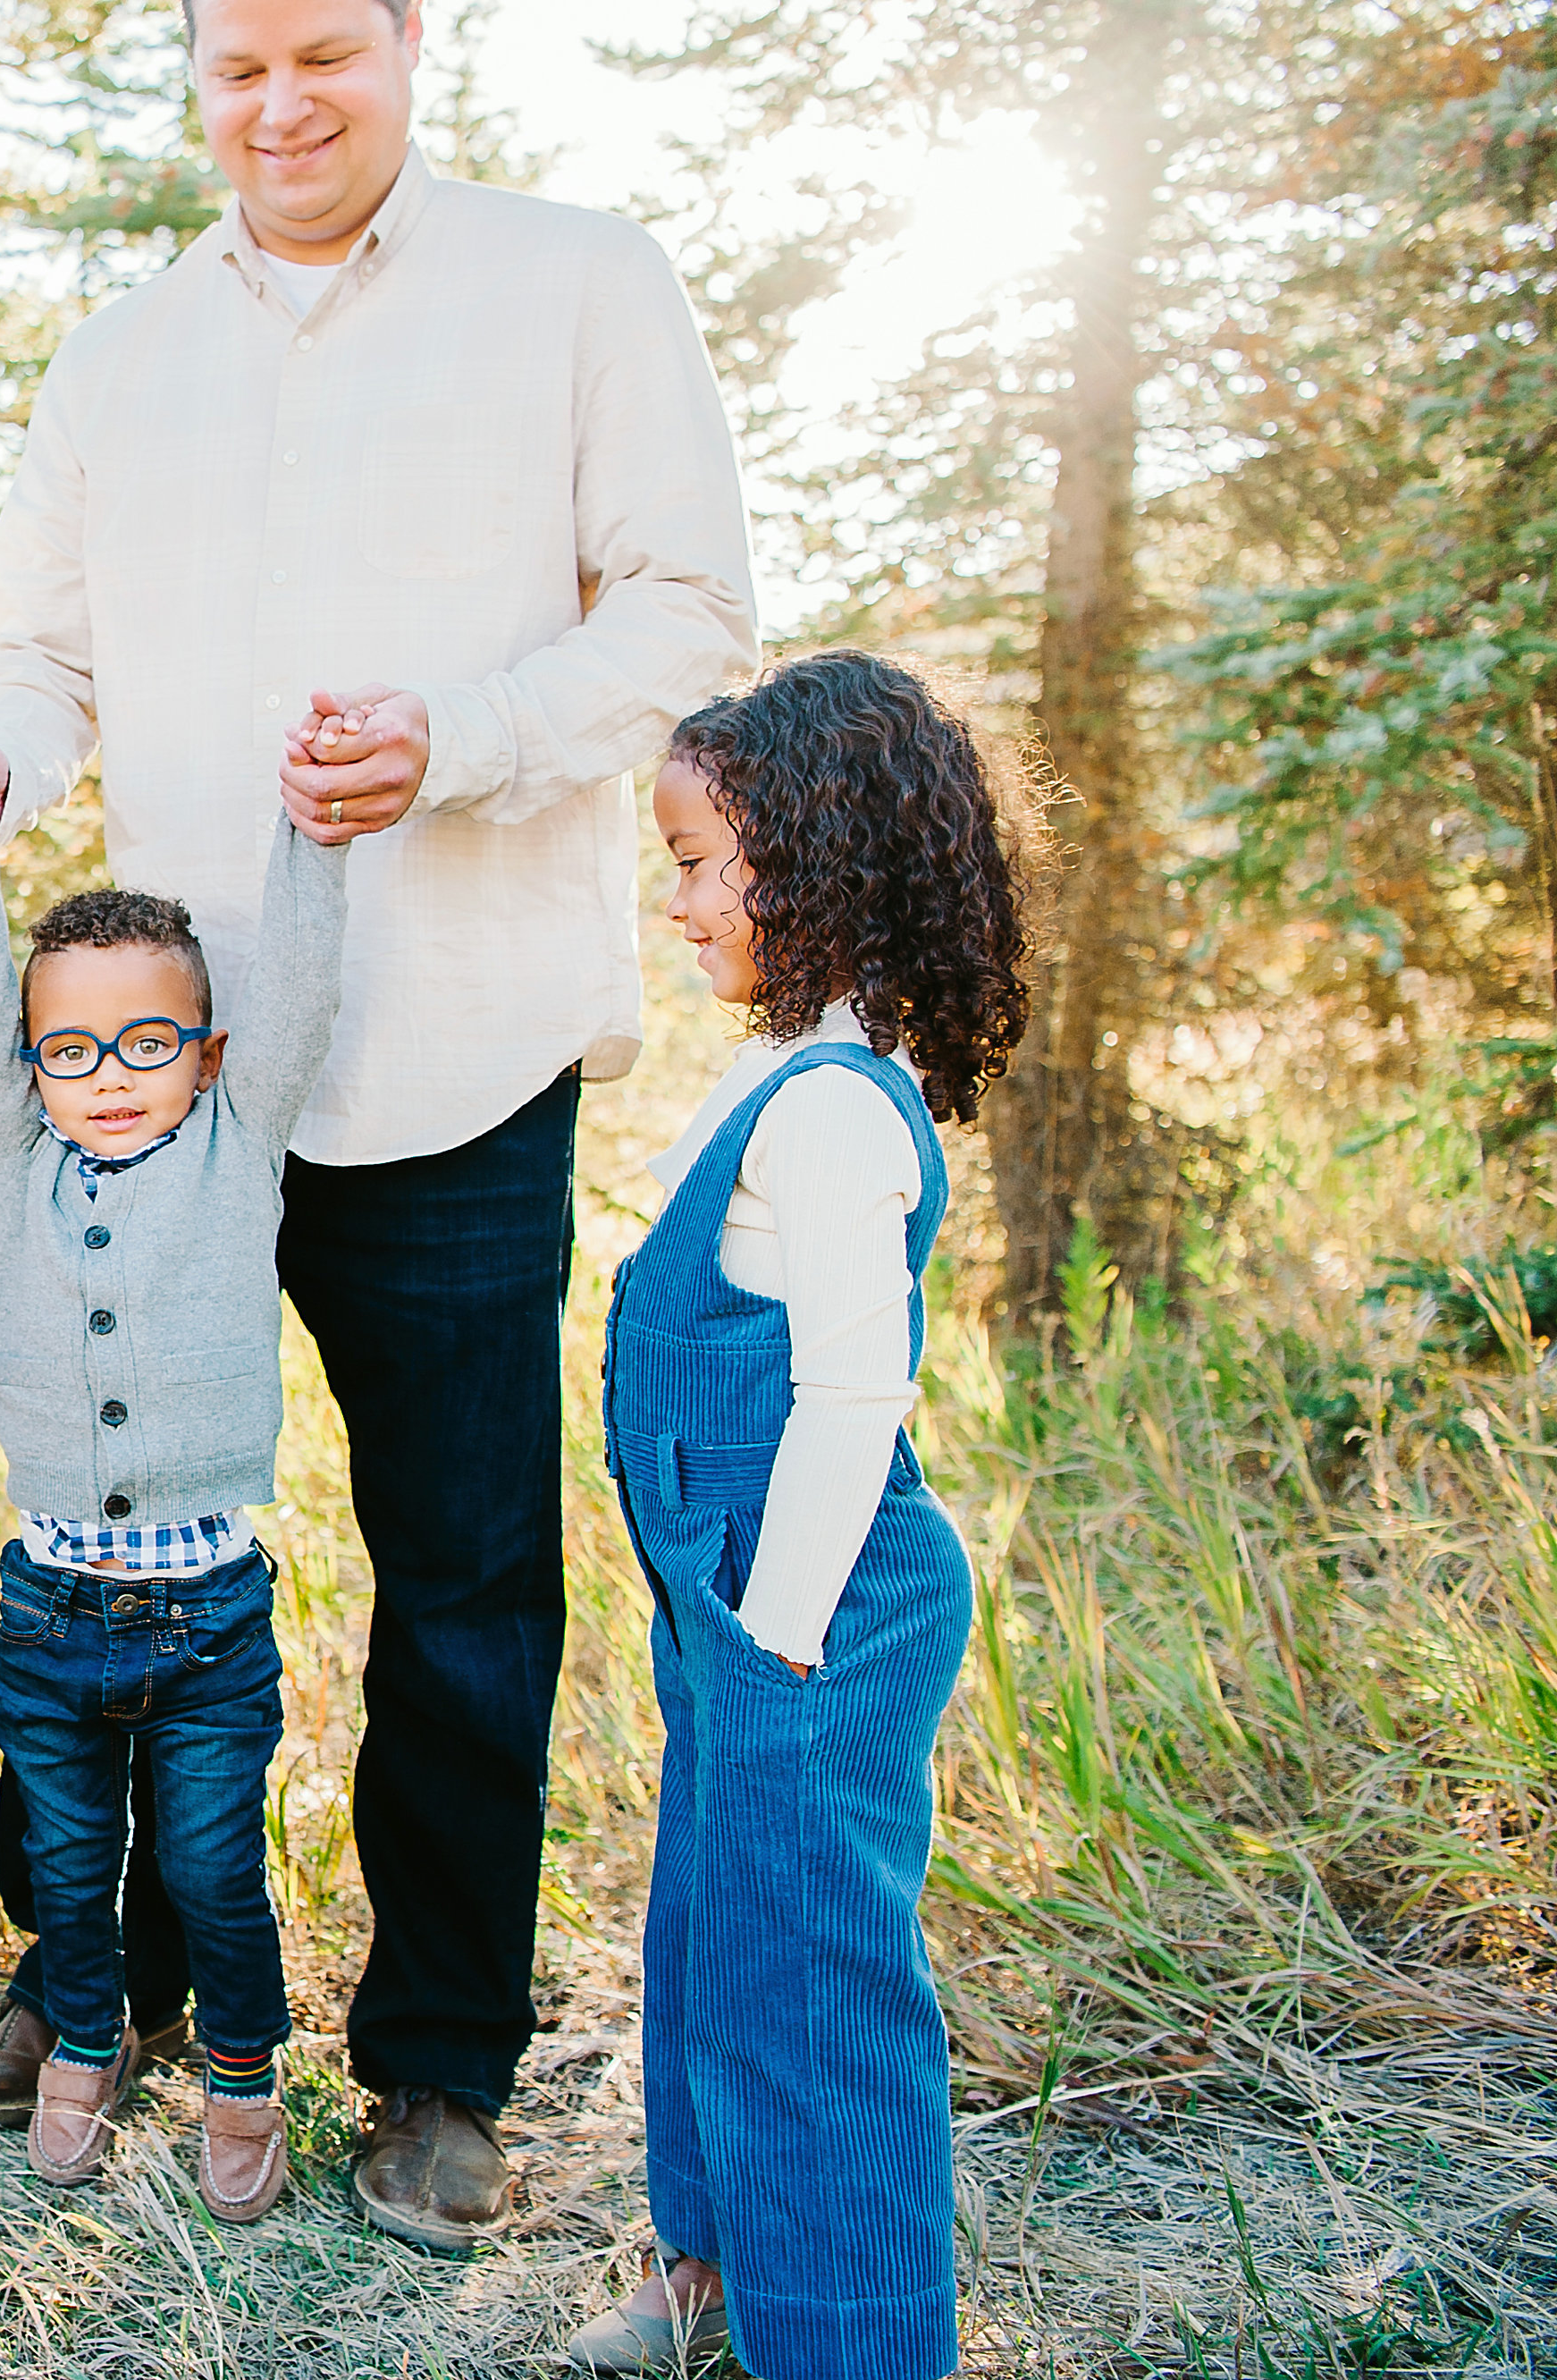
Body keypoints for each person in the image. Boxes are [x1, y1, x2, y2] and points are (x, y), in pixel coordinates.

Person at [0, 0, 759, 2251]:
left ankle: (439, 2060)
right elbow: (34, 656)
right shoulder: (115, 357)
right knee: (97, 1532)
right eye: (234, 68)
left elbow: (682, 613)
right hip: (162, 1082)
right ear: (192, 82)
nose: (277, 106)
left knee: (462, 1576)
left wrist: (456, 735)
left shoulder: (577, 280)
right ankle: (97, 1983)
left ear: (403, 50)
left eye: (319, 57)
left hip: (453, 1042)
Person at [568, 652, 1025, 2379]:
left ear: (818, 857)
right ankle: (712, 2273)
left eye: (695, 859)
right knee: (708, 1934)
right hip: (740, 1598)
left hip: (808, 1606)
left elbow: (851, 1396)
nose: (676, 901)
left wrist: (776, 1636)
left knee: (814, 1989)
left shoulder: (836, 1111)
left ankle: (850, 2336)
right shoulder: (785, 1076)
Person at [0, 783, 351, 2221]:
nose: (111, 1075)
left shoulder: (239, 1151)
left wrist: (312, 835)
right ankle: (85, 2052)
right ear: (33, 1066)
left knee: (215, 1865)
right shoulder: (25, 1156)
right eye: (73, 1049)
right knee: (64, 1864)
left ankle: (239, 2076)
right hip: (51, 1607)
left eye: (149, 1044)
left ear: (207, 1051)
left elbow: (298, 982)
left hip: (208, 1619)